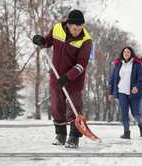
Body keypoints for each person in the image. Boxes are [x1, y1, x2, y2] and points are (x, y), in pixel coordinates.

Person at [32, 9, 92, 148]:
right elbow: (47, 42)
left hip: (74, 79)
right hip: (56, 75)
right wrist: (41, 40)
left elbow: (82, 64)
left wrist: (68, 77)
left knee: (74, 107)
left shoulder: (86, 40)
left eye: (80, 28)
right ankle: (61, 135)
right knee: (57, 107)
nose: (77, 31)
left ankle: (74, 137)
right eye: (75, 28)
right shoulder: (57, 28)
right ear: (69, 24)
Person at [109, 47, 142, 139]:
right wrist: (111, 93)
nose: (126, 53)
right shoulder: (118, 64)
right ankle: (126, 132)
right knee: (124, 112)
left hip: (134, 93)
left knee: (135, 113)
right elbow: (113, 79)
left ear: (131, 54)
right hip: (121, 92)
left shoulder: (137, 64)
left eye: (128, 52)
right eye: (124, 52)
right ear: (122, 53)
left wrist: (136, 87)